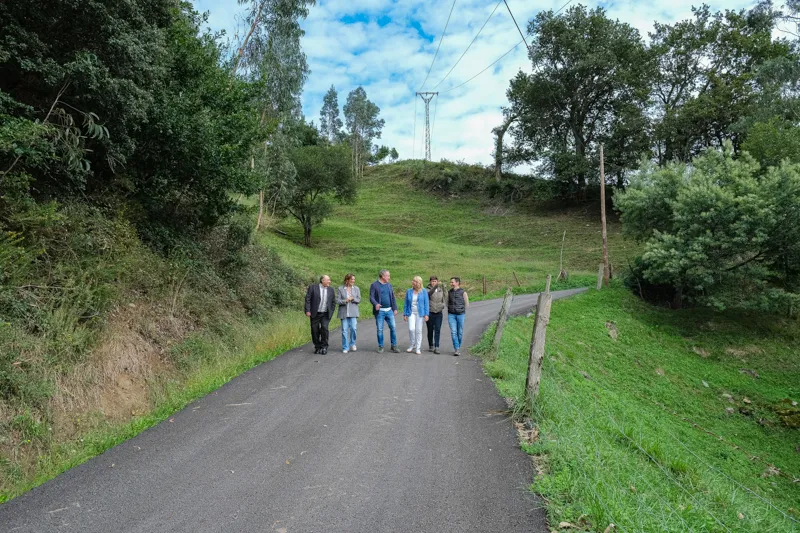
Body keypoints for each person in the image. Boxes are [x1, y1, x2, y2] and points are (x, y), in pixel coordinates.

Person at [369, 269, 399, 353]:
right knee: (380, 329)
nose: (389, 277)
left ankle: (394, 345)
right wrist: (376, 304)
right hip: (380, 312)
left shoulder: (389, 285)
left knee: (393, 327)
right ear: (382, 276)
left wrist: (395, 308)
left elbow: (393, 297)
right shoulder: (374, 285)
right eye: (388, 276)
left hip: (389, 310)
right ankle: (381, 346)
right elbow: (371, 297)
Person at [305, 275, 336, 354]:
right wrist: (307, 310)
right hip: (315, 313)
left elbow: (333, 302)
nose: (329, 281)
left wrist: (331, 312)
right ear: (322, 280)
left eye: (329, 280)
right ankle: (317, 346)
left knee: (324, 329)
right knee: (314, 330)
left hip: (325, 314)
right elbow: (308, 299)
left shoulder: (331, 290)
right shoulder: (313, 288)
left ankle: (324, 347)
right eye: (328, 280)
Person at [403, 276, 429, 355]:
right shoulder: (409, 291)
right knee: (411, 329)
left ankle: (418, 347)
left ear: (418, 283)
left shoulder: (424, 291)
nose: (412, 282)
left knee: (418, 330)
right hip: (411, 312)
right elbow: (406, 304)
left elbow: (426, 303)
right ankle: (412, 344)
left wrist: (426, 314)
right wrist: (405, 314)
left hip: (420, 313)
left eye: (414, 281)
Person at [337, 273, 360, 353]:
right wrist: (345, 301)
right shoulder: (340, 288)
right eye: (351, 279)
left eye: (354, 279)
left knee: (354, 328)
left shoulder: (356, 289)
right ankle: (345, 347)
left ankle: (352, 343)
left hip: (353, 312)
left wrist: (353, 299)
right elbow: (338, 301)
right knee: (344, 330)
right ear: (347, 280)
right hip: (344, 313)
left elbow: (359, 299)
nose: (353, 281)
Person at [447, 276, 469, 356]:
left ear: (457, 283)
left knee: (460, 332)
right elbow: (447, 302)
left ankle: (458, 346)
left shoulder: (463, 292)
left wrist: (462, 310)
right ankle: (456, 348)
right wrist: (450, 309)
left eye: (452, 282)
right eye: (451, 282)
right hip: (451, 314)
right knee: (453, 332)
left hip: (460, 314)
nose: (451, 284)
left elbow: (467, 304)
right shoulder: (449, 292)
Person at [426, 275, 446, 354]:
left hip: (439, 312)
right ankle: (431, 344)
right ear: (430, 282)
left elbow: (445, 297)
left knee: (437, 329)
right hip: (430, 312)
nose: (434, 283)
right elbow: (429, 294)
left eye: (435, 281)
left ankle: (437, 346)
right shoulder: (427, 289)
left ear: (437, 281)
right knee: (430, 330)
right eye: (432, 281)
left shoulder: (440, 290)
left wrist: (443, 305)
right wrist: (435, 287)